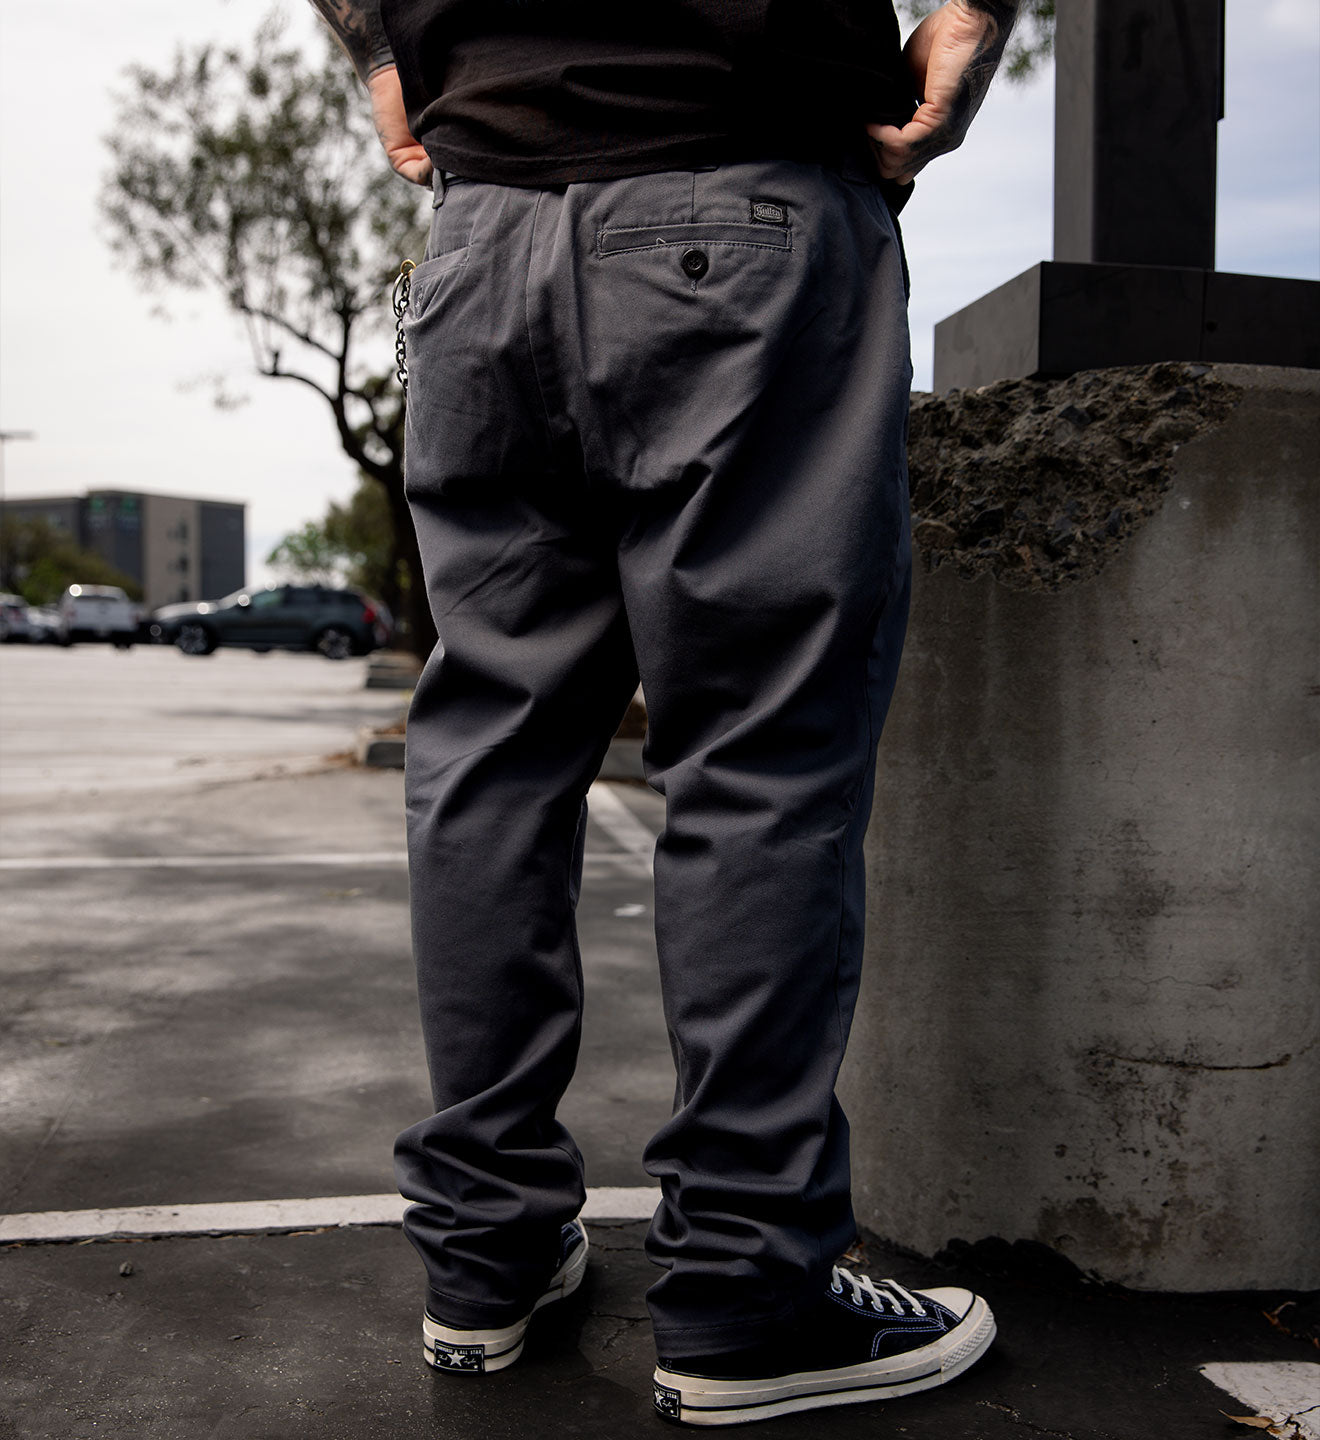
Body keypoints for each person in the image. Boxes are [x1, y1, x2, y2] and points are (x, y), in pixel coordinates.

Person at [310, 0, 1021, 1424]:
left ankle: (485, 1258)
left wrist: (381, 44)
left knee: (490, 755)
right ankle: (750, 1297)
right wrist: (973, 20)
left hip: (482, 236)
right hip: (740, 186)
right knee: (761, 757)